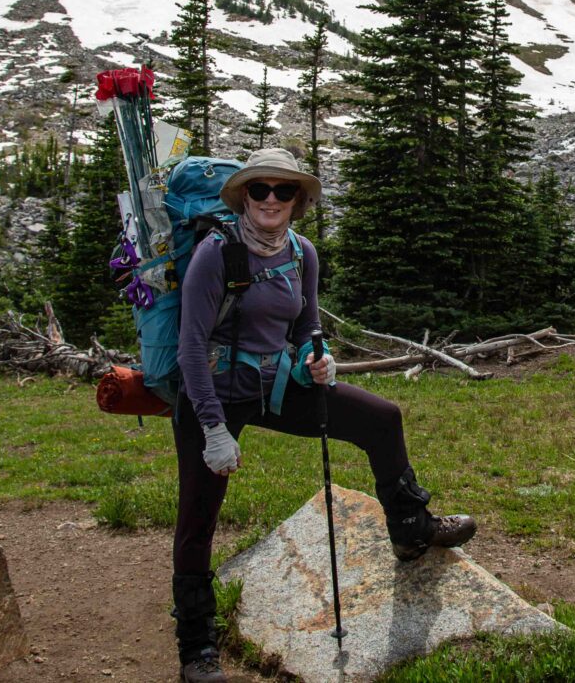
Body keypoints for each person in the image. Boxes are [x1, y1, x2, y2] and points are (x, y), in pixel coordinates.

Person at [169, 148, 475, 683]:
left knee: (382, 417)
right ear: (243, 196)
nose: (270, 199)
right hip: (213, 393)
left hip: (279, 385)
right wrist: (214, 428)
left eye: (282, 191)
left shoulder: (301, 253)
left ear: (298, 200)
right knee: (199, 514)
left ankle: (410, 528)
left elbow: (307, 324)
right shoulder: (216, 254)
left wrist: (320, 356)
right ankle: (197, 645)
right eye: (259, 190)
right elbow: (191, 347)